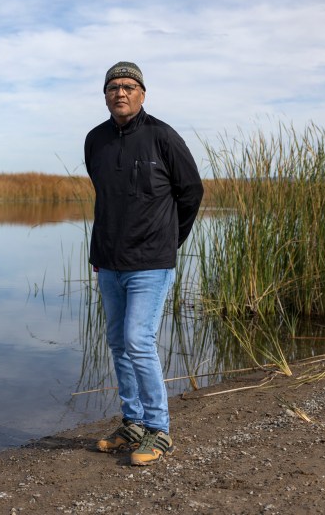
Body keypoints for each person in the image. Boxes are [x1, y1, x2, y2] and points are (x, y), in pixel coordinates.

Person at [84, 61, 203, 466]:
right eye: (113, 86)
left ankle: (159, 430)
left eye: (129, 85)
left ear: (142, 93)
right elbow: (106, 196)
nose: (121, 92)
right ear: (105, 95)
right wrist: (103, 253)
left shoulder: (162, 136)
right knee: (118, 342)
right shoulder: (94, 141)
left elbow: (191, 192)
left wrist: (170, 241)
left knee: (138, 340)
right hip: (109, 262)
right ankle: (132, 423)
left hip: (151, 262)